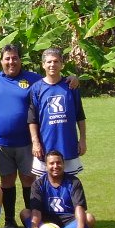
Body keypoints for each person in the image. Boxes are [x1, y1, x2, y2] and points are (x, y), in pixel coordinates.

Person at [28, 48, 87, 176]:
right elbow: (32, 119)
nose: (52, 65)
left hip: (68, 144)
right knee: (45, 186)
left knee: (70, 186)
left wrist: (82, 139)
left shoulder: (71, 86)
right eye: (49, 62)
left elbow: (80, 115)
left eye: (56, 61)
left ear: (61, 64)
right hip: (45, 146)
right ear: (43, 65)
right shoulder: (36, 89)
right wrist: (35, 143)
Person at [20, 150, 96, 228]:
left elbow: (79, 207)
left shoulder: (74, 182)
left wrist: (80, 226)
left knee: (89, 218)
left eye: (58, 163)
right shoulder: (38, 184)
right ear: (46, 166)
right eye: (51, 163)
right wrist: (34, 227)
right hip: (46, 220)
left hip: (68, 220)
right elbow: (36, 210)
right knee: (25, 213)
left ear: (63, 164)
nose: (55, 166)